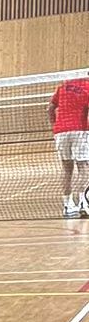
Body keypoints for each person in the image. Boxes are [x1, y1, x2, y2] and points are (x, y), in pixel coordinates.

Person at [48, 75, 89, 218]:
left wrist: (54, 126)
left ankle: (68, 206)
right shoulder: (88, 88)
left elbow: (50, 108)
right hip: (79, 131)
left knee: (67, 170)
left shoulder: (63, 86)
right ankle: (84, 203)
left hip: (61, 132)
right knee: (83, 168)